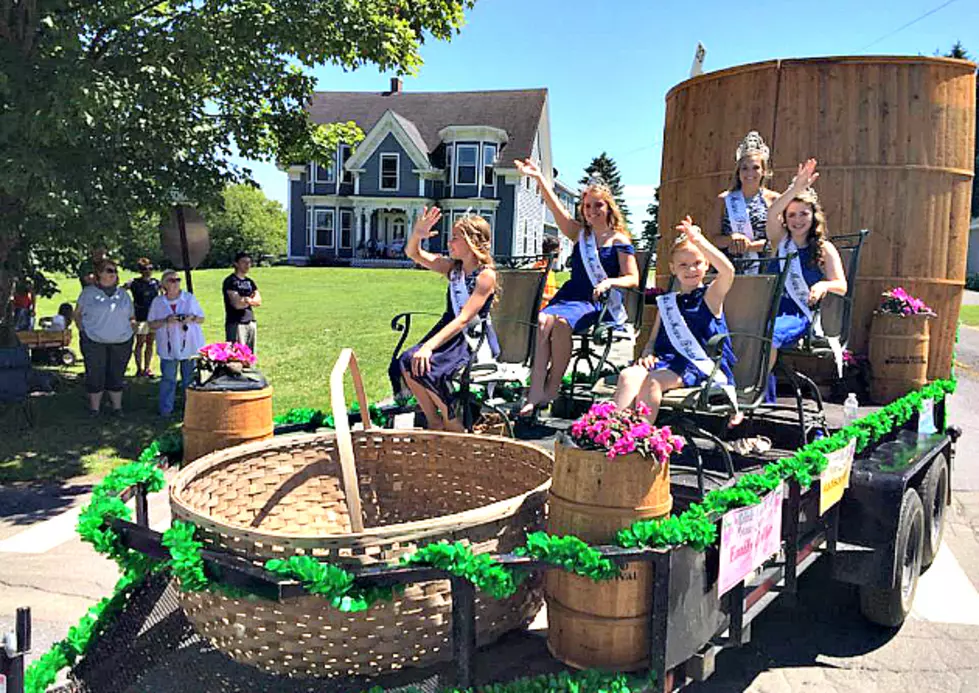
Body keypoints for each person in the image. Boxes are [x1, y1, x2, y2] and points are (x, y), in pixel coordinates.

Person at [513, 158, 639, 417]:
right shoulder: (580, 233)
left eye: (598, 205)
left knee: (560, 324)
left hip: (595, 301)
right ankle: (536, 388)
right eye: (588, 205)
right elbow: (555, 206)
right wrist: (538, 178)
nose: (592, 210)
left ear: (608, 207)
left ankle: (553, 386)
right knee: (542, 321)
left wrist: (610, 281)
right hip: (571, 294)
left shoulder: (619, 240)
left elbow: (633, 278)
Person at [614, 218, 737, 424]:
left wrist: (698, 241)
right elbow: (653, 340)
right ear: (673, 268)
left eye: (697, 263)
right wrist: (647, 353)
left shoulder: (711, 296)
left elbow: (728, 271)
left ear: (706, 264)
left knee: (653, 381)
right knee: (628, 375)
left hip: (698, 365)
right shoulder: (668, 303)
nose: (691, 270)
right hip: (667, 362)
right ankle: (613, 434)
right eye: (683, 265)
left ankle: (639, 437)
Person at [388, 207, 500, 432]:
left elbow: (464, 319)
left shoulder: (486, 275)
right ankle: (434, 420)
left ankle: (451, 420)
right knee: (406, 361)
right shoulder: (453, 268)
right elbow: (414, 254)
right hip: (447, 332)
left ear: (472, 242)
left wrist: (428, 346)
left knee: (427, 366)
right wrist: (418, 234)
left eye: (455, 238)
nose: (450, 243)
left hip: (469, 338)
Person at [765, 159, 847, 400]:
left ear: (814, 216)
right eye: (791, 214)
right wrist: (795, 188)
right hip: (768, 309)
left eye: (803, 213)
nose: (797, 220)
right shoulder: (780, 241)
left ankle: (752, 392)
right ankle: (757, 393)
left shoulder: (824, 249)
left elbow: (841, 286)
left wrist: (823, 284)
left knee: (765, 334)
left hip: (797, 314)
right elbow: (771, 214)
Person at [708, 131, 779, 274]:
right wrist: (731, 239)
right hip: (728, 268)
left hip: (764, 268)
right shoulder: (724, 200)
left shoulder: (774, 199)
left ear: (764, 171)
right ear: (738, 172)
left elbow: (779, 240)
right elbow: (713, 239)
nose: (749, 173)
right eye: (744, 168)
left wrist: (750, 246)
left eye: (755, 168)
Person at [74, 259, 135, 416]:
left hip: (122, 341)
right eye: (109, 270)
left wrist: (133, 328)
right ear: (99, 273)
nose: (113, 274)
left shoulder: (123, 295)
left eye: (115, 271)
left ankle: (117, 408)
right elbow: (77, 315)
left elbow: (131, 317)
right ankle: (95, 409)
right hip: (94, 341)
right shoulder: (88, 293)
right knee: (95, 374)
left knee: (117, 374)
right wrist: (83, 331)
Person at [147, 270, 205, 417]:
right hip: (168, 346)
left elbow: (201, 318)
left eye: (177, 280)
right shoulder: (158, 302)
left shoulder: (189, 298)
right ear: (164, 284)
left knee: (189, 379)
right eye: (171, 280)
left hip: (189, 345)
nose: (175, 283)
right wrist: (166, 321)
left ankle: (190, 409)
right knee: (168, 379)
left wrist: (190, 318)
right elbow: (151, 324)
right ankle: (166, 409)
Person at [125, 258, 161, 377]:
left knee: (150, 342)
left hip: (153, 317)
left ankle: (147, 368)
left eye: (150, 268)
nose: (148, 271)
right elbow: (121, 290)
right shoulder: (134, 283)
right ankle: (139, 368)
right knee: (140, 342)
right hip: (140, 317)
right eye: (145, 269)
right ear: (140, 270)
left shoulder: (156, 283)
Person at [223, 251, 261, 352]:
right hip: (236, 323)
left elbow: (258, 301)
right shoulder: (230, 281)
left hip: (251, 321)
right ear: (236, 264)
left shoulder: (250, 282)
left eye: (249, 263)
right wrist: (249, 300)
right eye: (244, 262)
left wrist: (247, 300)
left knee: (250, 355)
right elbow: (237, 304)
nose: (247, 265)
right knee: (237, 355)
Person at [538, 235, 560, 311]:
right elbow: (535, 294)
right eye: (559, 250)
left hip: (549, 309)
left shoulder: (550, 271)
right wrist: (554, 298)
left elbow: (550, 290)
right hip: (541, 312)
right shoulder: (540, 269)